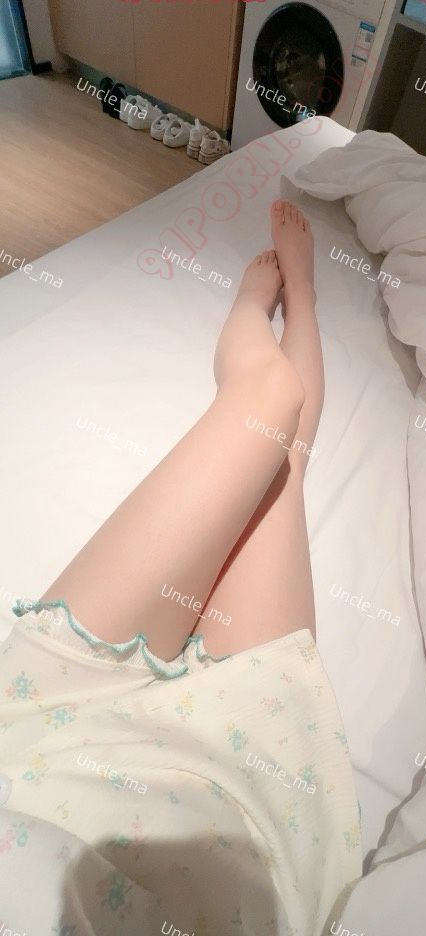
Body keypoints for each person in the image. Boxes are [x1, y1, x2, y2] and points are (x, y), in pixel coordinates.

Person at [0, 201, 361, 936]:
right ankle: (300, 296)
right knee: (283, 452)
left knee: (269, 401)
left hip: (44, 736)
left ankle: (258, 306)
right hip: (236, 809)